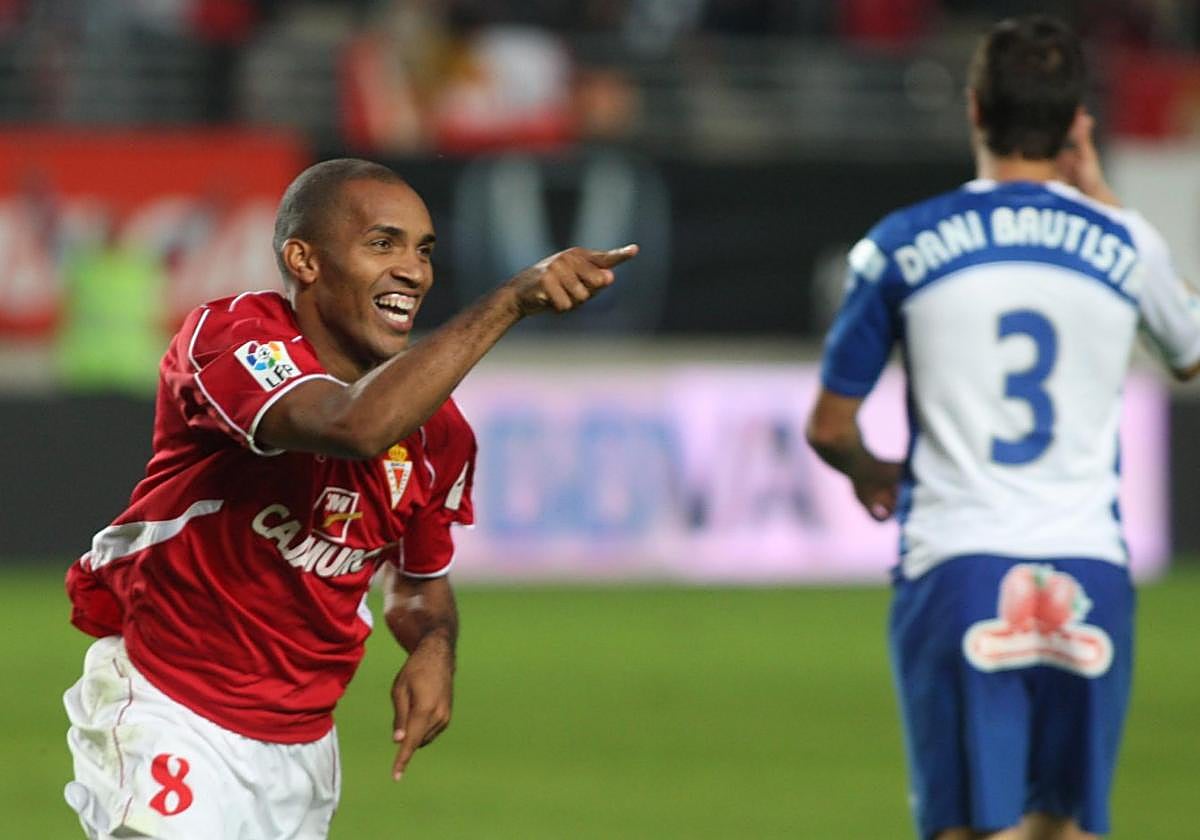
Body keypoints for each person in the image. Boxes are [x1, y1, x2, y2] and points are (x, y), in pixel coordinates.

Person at [61, 157, 638, 839]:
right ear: (304, 259)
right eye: (382, 243)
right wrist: (510, 300)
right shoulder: (232, 338)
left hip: (302, 757)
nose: (415, 270)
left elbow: (419, 586)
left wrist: (433, 648)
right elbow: (352, 426)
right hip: (169, 710)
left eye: (424, 250)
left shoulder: (439, 435)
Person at [806, 16, 1200, 840]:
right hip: (1089, 563)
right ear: (1074, 124)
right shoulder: (1125, 242)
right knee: (1067, 828)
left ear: (976, 108)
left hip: (958, 562)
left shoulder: (901, 246)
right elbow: (1190, 349)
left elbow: (828, 426)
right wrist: (1099, 197)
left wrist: (873, 471)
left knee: (965, 831)